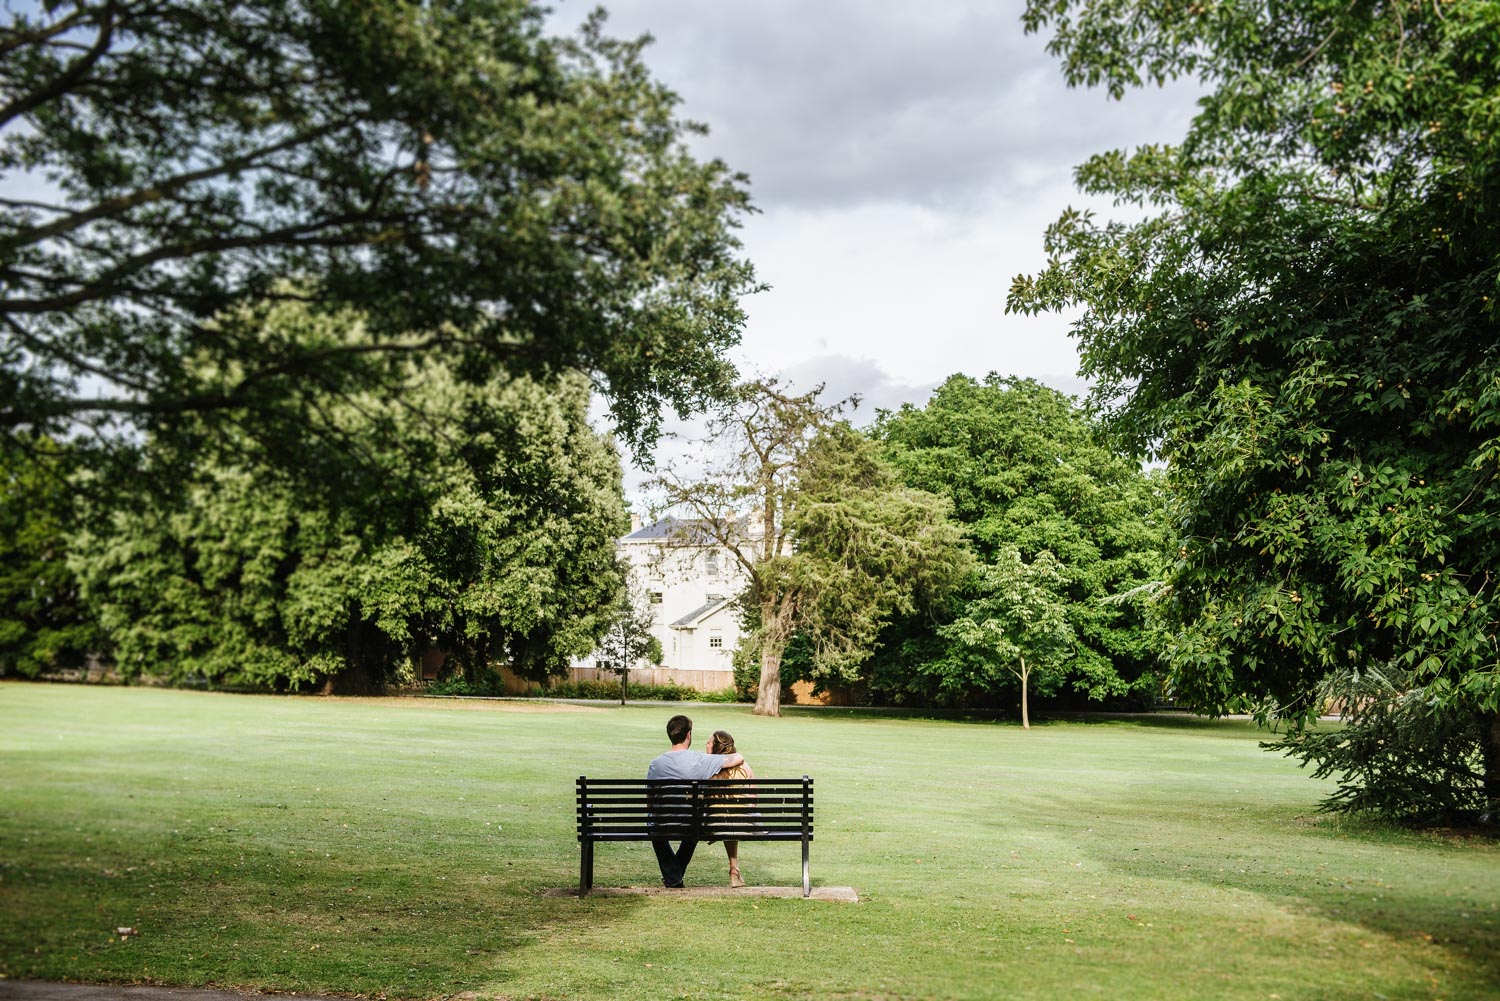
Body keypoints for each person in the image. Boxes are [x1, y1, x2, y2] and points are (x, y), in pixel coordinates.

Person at [645, 714, 744, 888]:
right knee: (694, 827)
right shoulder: (700, 760)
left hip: (662, 824)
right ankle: (674, 877)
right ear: (688, 735)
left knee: (654, 827)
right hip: (689, 824)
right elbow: (737, 758)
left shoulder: (656, 764)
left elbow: (650, 801)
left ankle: (673, 877)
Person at [706, 729, 755, 888]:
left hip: (716, 825)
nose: (705, 745)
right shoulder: (744, 766)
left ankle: (734, 869)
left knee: (726, 816)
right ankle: (734, 870)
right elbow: (754, 798)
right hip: (744, 825)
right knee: (733, 816)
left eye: (708, 743)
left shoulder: (707, 768)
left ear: (716, 747)